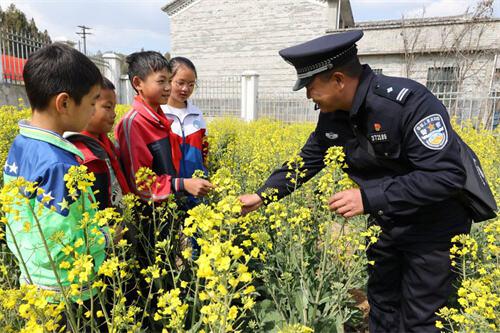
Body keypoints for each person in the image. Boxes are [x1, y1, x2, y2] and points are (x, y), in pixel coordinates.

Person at [239, 30, 472, 333]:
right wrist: (262, 196)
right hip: (387, 223)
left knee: (421, 319)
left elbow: (445, 175)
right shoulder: (334, 115)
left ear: (337, 80)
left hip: (433, 228)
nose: (308, 95)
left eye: (310, 86)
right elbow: (306, 161)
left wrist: (368, 198)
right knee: (383, 305)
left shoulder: (407, 103)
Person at [2, 43, 114, 325]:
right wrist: (108, 236)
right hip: (68, 292)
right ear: (64, 103)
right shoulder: (60, 165)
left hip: (33, 278)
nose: (93, 111)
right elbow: (65, 242)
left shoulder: (22, 144)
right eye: (91, 102)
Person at [115, 51, 213, 203]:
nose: (168, 87)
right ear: (138, 83)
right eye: (161, 82)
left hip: (173, 203)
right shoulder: (134, 124)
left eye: (169, 81)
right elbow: (141, 184)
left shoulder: (160, 120)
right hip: (152, 215)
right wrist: (182, 185)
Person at [66, 77, 130, 211]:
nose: (113, 114)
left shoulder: (103, 142)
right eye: (108, 107)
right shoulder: (81, 153)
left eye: (114, 108)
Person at [161, 56, 209, 209]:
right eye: (180, 83)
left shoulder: (197, 114)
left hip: (196, 190)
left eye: (191, 84)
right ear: (169, 80)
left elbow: (204, 152)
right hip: (170, 190)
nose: (185, 89)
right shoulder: (159, 113)